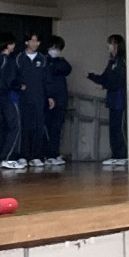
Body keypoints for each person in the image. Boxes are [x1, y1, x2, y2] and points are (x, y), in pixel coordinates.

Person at [15, 32, 55, 167]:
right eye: (32, 41)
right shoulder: (19, 58)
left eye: (37, 41)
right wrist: (18, 87)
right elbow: (13, 77)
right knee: (24, 126)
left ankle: (37, 156)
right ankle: (23, 155)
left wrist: (50, 96)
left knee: (38, 126)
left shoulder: (42, 59)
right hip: (23, 98)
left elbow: (47, 79)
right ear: (26, 42)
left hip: (39, 98)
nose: (35, 44)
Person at [87, 34, 127, 166]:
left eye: (110, 43)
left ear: (116, 45)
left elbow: (119, 81)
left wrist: (105, 85)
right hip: (112, 99)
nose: (108, 46)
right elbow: (106, 77)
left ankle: (122, 155)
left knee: (120, 128)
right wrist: (93, 77)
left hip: (120, 99)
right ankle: (116, 154)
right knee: (113, 128)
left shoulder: (122, 61)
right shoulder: (112, 61)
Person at [0, 32, 24, 169]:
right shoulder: (7, 60)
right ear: (9, 44)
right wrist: (19, 86)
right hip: (8, 97)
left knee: (2, 126)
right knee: (14, 126)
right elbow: (9, 80)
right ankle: (8, 157)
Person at [44, 35, 72, 165]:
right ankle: (48, 154)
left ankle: (54, 153)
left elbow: (67, 69)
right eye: (53, 48)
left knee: (57, 127)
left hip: (61, 98)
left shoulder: (61, 61)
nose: (55, 51)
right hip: (48, 99)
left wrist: (56, 61)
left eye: (58, 48)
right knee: (48, 127)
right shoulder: (44, 61)